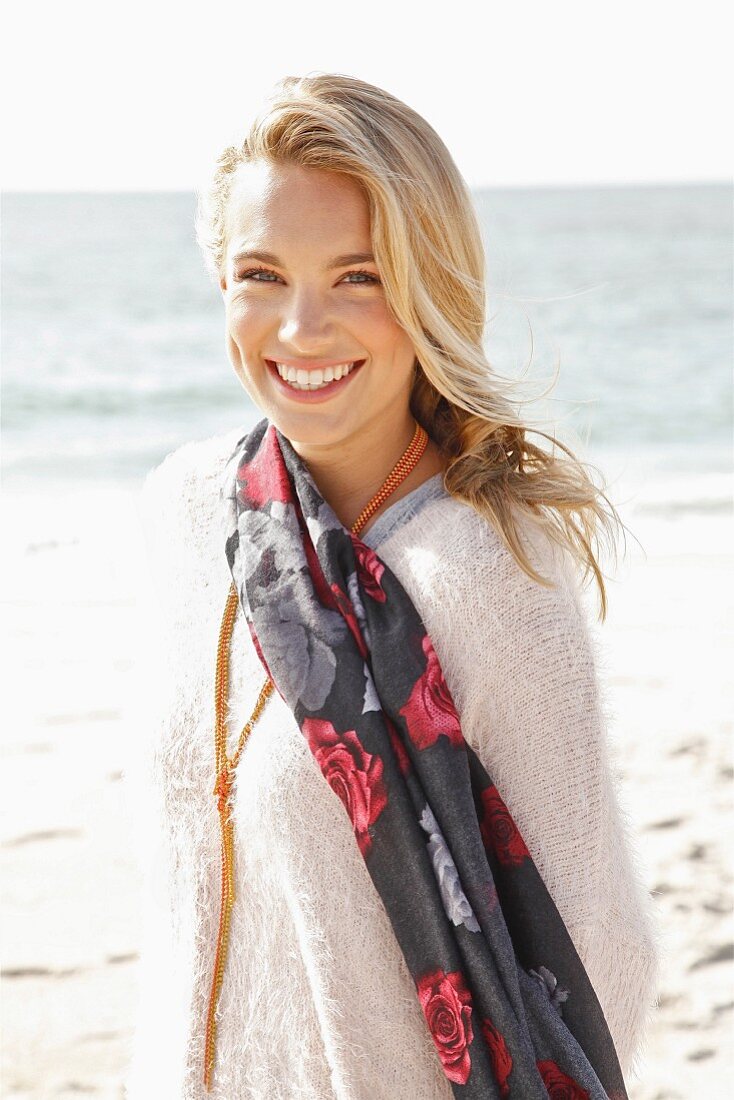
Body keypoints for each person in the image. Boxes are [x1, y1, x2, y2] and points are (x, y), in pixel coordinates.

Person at [124, 73, 661, 1099]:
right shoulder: (188, 510)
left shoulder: (490, 577)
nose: (300, 327)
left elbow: (596, 957)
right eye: (261, 274)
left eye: (358, 276)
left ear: (429, 286)